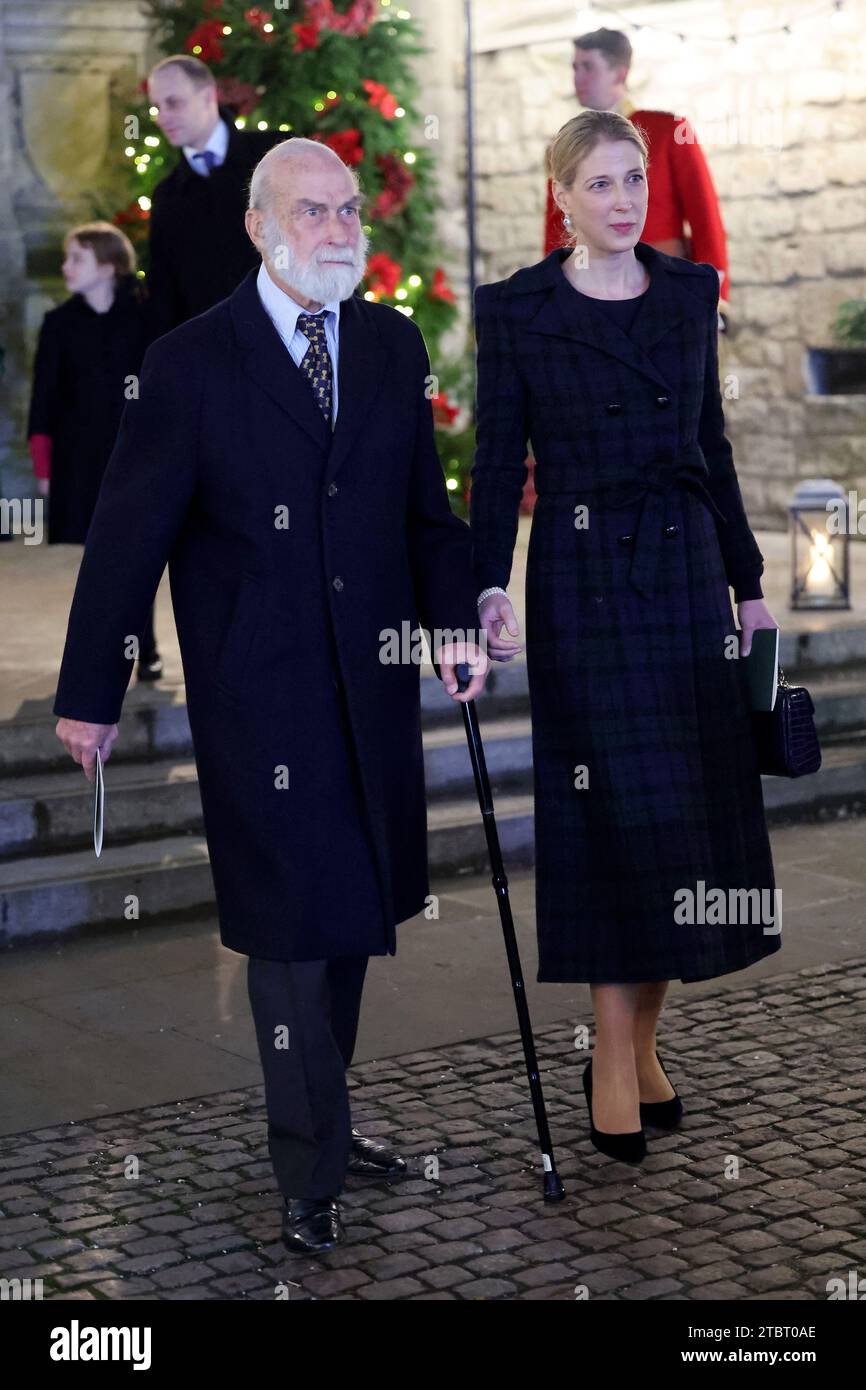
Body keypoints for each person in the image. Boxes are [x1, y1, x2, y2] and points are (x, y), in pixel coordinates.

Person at [52, 137, 488, 1251]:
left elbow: (424, 521)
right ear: (258, 225)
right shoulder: (193, 361)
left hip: (372, 683)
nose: (339, 231)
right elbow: (125, 540)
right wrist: (92, 691)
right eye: (313, 212)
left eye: (349, 211)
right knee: (291, 928)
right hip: (261, 693)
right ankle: (308, 1163)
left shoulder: (391, 346)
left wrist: (461, 614)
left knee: (348, 918)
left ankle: (323, 1118)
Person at [471, 110, 780, 1166]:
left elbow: (711, 445)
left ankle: (641, 1043)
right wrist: (483, 587)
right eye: (598, 183)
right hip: (581, 580)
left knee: (680, 825)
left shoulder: (688, 294)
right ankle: (609, 1048)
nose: (621, 199)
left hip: (683, 576)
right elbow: (491, 463)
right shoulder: (516, 311)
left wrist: (746, 584)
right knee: (613, 827)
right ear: (560, 195)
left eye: (632, 179)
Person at [28, 221, 161, 680]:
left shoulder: (147, 317)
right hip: (80, 462)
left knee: (138, 551)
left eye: (76, 259)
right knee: (100, 561)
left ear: (108, 265)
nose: (65, 267)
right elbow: (43, 399)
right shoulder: (59, 324)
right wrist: (44, 466)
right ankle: (108, 653)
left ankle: (145, 644)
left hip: (137, 455)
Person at [543, 28, 730, 321]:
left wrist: (714, 295)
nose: (577, 78)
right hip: (587, 292)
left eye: (588, 67)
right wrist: (552, 292)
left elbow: (704, 214)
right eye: (575, 67)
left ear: (619, 73)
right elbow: (557, 227)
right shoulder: (563, 146)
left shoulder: (669, 130)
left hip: (665, 287)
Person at [145, 55, 287, 337]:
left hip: (293, 340)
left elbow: (326, 235)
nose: (162, 117)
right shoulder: (167, 196)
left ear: (208, 96)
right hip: (215, 359)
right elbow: (164, 300)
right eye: (156, 107)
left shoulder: (274, 153)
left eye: (173, 103)